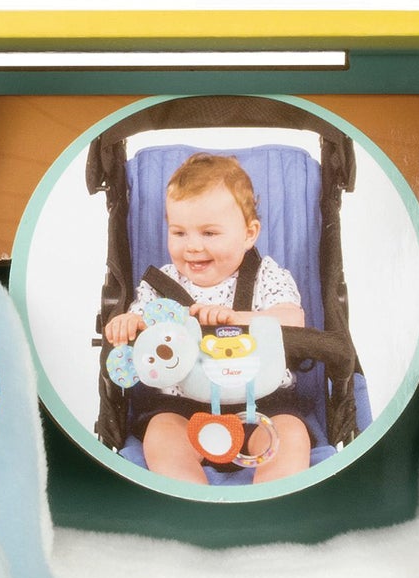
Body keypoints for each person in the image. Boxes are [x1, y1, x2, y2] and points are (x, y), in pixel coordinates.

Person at [103, 153, 313, 485]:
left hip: (265, 404)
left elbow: (292, 320)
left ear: (249, 234)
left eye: (209, 233)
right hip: (182, 407)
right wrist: (128, 324)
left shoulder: (267, 275)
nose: (192, 246)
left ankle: (272, 499)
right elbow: (141, 323)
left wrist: (237, 317)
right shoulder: (160, 285)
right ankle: (191, 498)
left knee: (292, 436)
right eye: (179, 233)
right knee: (161, 435)